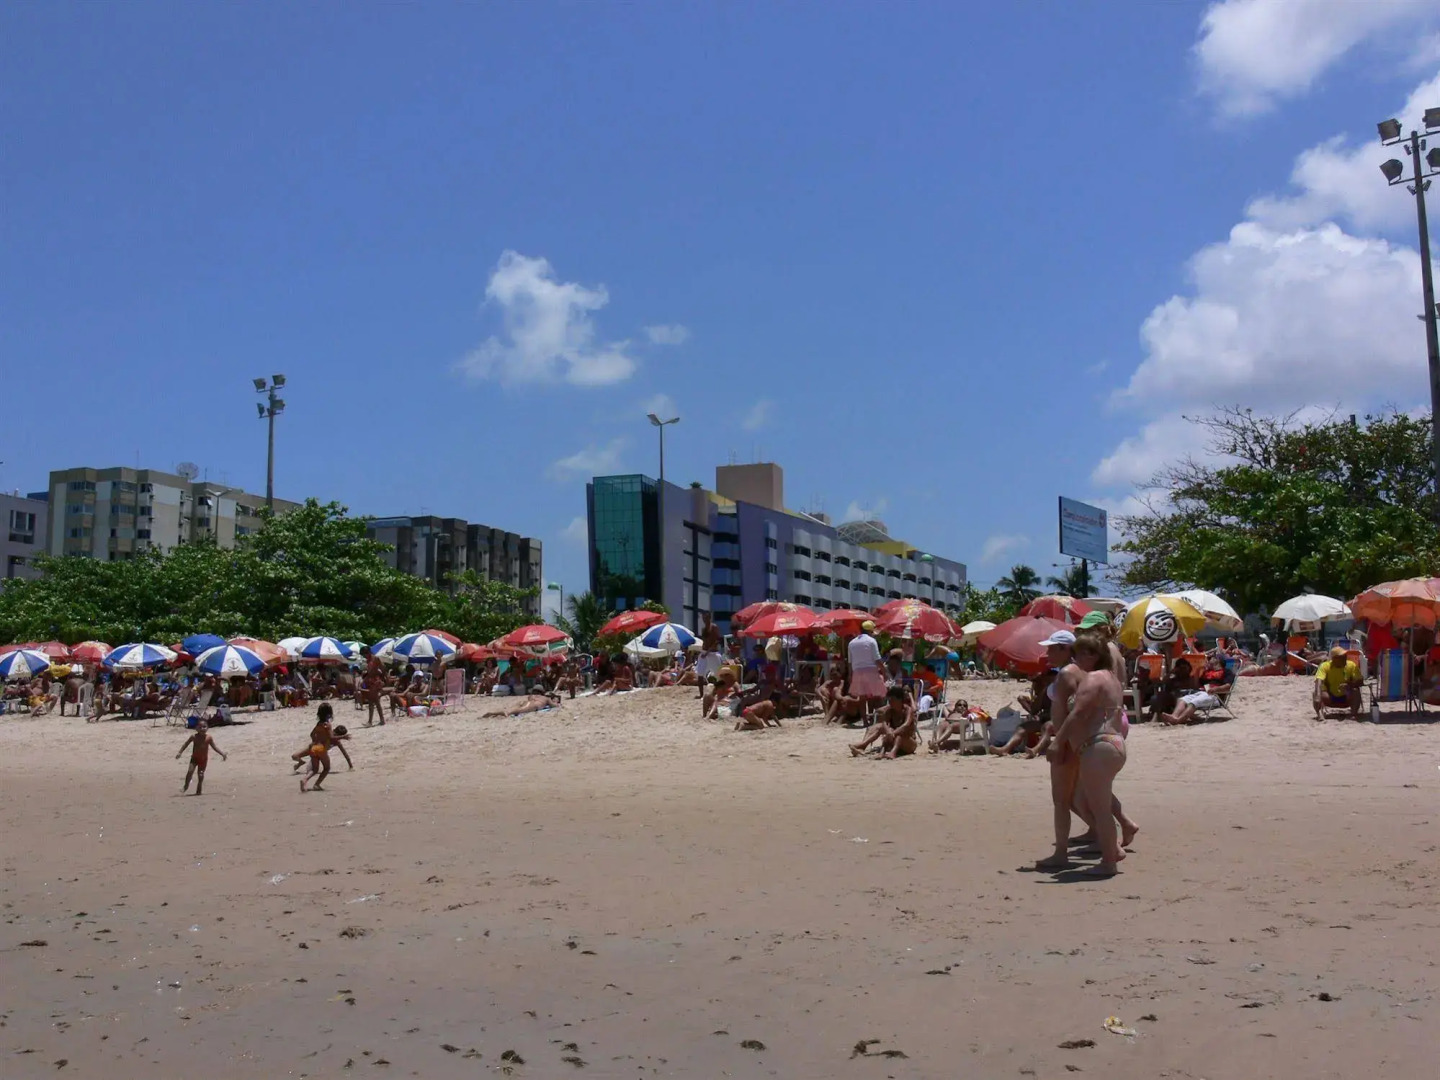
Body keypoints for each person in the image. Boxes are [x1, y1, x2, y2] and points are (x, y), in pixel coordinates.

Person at [1039, 631, 1129, 876]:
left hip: (1098, 744)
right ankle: (1113, 848)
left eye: (1079, 652)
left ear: (1092, 654)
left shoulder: (1091, 678)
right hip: (1115, 743)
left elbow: (1077, 712)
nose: (1074, 656)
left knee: (1097, 808)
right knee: (1094, 802)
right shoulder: (1112, 678)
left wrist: (1058, 741)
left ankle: (1109, 861)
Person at [848, 685, 918, 759]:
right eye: (889, 700)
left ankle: (893, 753)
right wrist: (888, 731)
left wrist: (893, 733)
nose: (890, 702)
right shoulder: (890, 710)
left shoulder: (908, 710)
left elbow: (906, 725)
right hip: (893, 740)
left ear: (900, 700)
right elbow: (884, 723)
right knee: (887, 730)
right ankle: (875, 750)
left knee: (899, 734)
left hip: (908, 743)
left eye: (892, 700)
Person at [176, 718, 227, 796]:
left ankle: (199, 789)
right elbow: (185, 744)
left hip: (203, 760)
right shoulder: (194, 737)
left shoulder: (209, 738)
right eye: (200, 727)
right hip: (194, 758)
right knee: (190, 771)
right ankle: (186, 786)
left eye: (204, 727)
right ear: (196, 728)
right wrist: (180, 752)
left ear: (207, 728)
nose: (202, 729)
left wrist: (222, 754)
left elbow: (214, 747)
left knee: (200, 775)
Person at [1313, 645, 1363, 720]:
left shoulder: (1351, 665)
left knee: (1355, 691)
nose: (1345, 658)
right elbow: (1319, 681)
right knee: (1316, 693)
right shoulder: (1325, 666)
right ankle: (1320, 714)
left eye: (1345, 655)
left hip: (1347, 696)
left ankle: (1354, 714)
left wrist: (1349, 685)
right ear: (1334, 659)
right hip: (1329, 697)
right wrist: (1317, 695)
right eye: (1342, 656)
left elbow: (1360, 681)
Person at [846, 621, 886, 712]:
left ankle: (865, 720)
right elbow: (877, 659)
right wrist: (884, 671)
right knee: (872, 695)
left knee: (862, 697)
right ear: (870, 631)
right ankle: (871, 715)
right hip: (871, 670)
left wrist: (850, 675)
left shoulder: (851, 643)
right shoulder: (872, 641)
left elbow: (850, 662)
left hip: (857, 672)